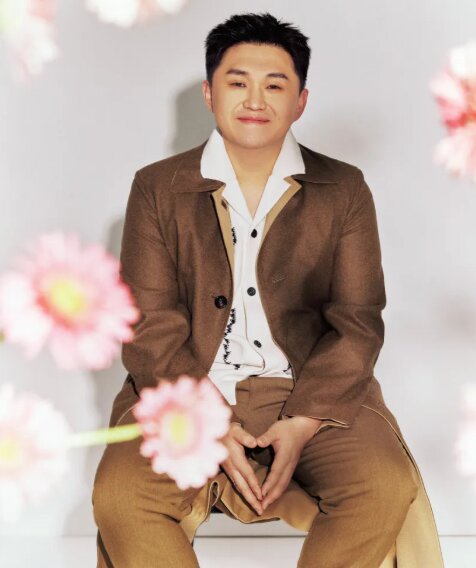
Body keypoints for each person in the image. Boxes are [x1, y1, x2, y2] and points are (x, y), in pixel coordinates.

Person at [92, 12, 444, 567]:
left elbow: (358, 322)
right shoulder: (157, 187)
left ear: (300, 101)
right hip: (186, 388)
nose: (255, 99)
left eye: (275, 85)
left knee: (382, 485)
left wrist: (305, 419)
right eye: (238, 82)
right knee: (121, 496)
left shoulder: (342, 188)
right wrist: (210, 421)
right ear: (209, 93)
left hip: (312, 389)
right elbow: (148, 325)